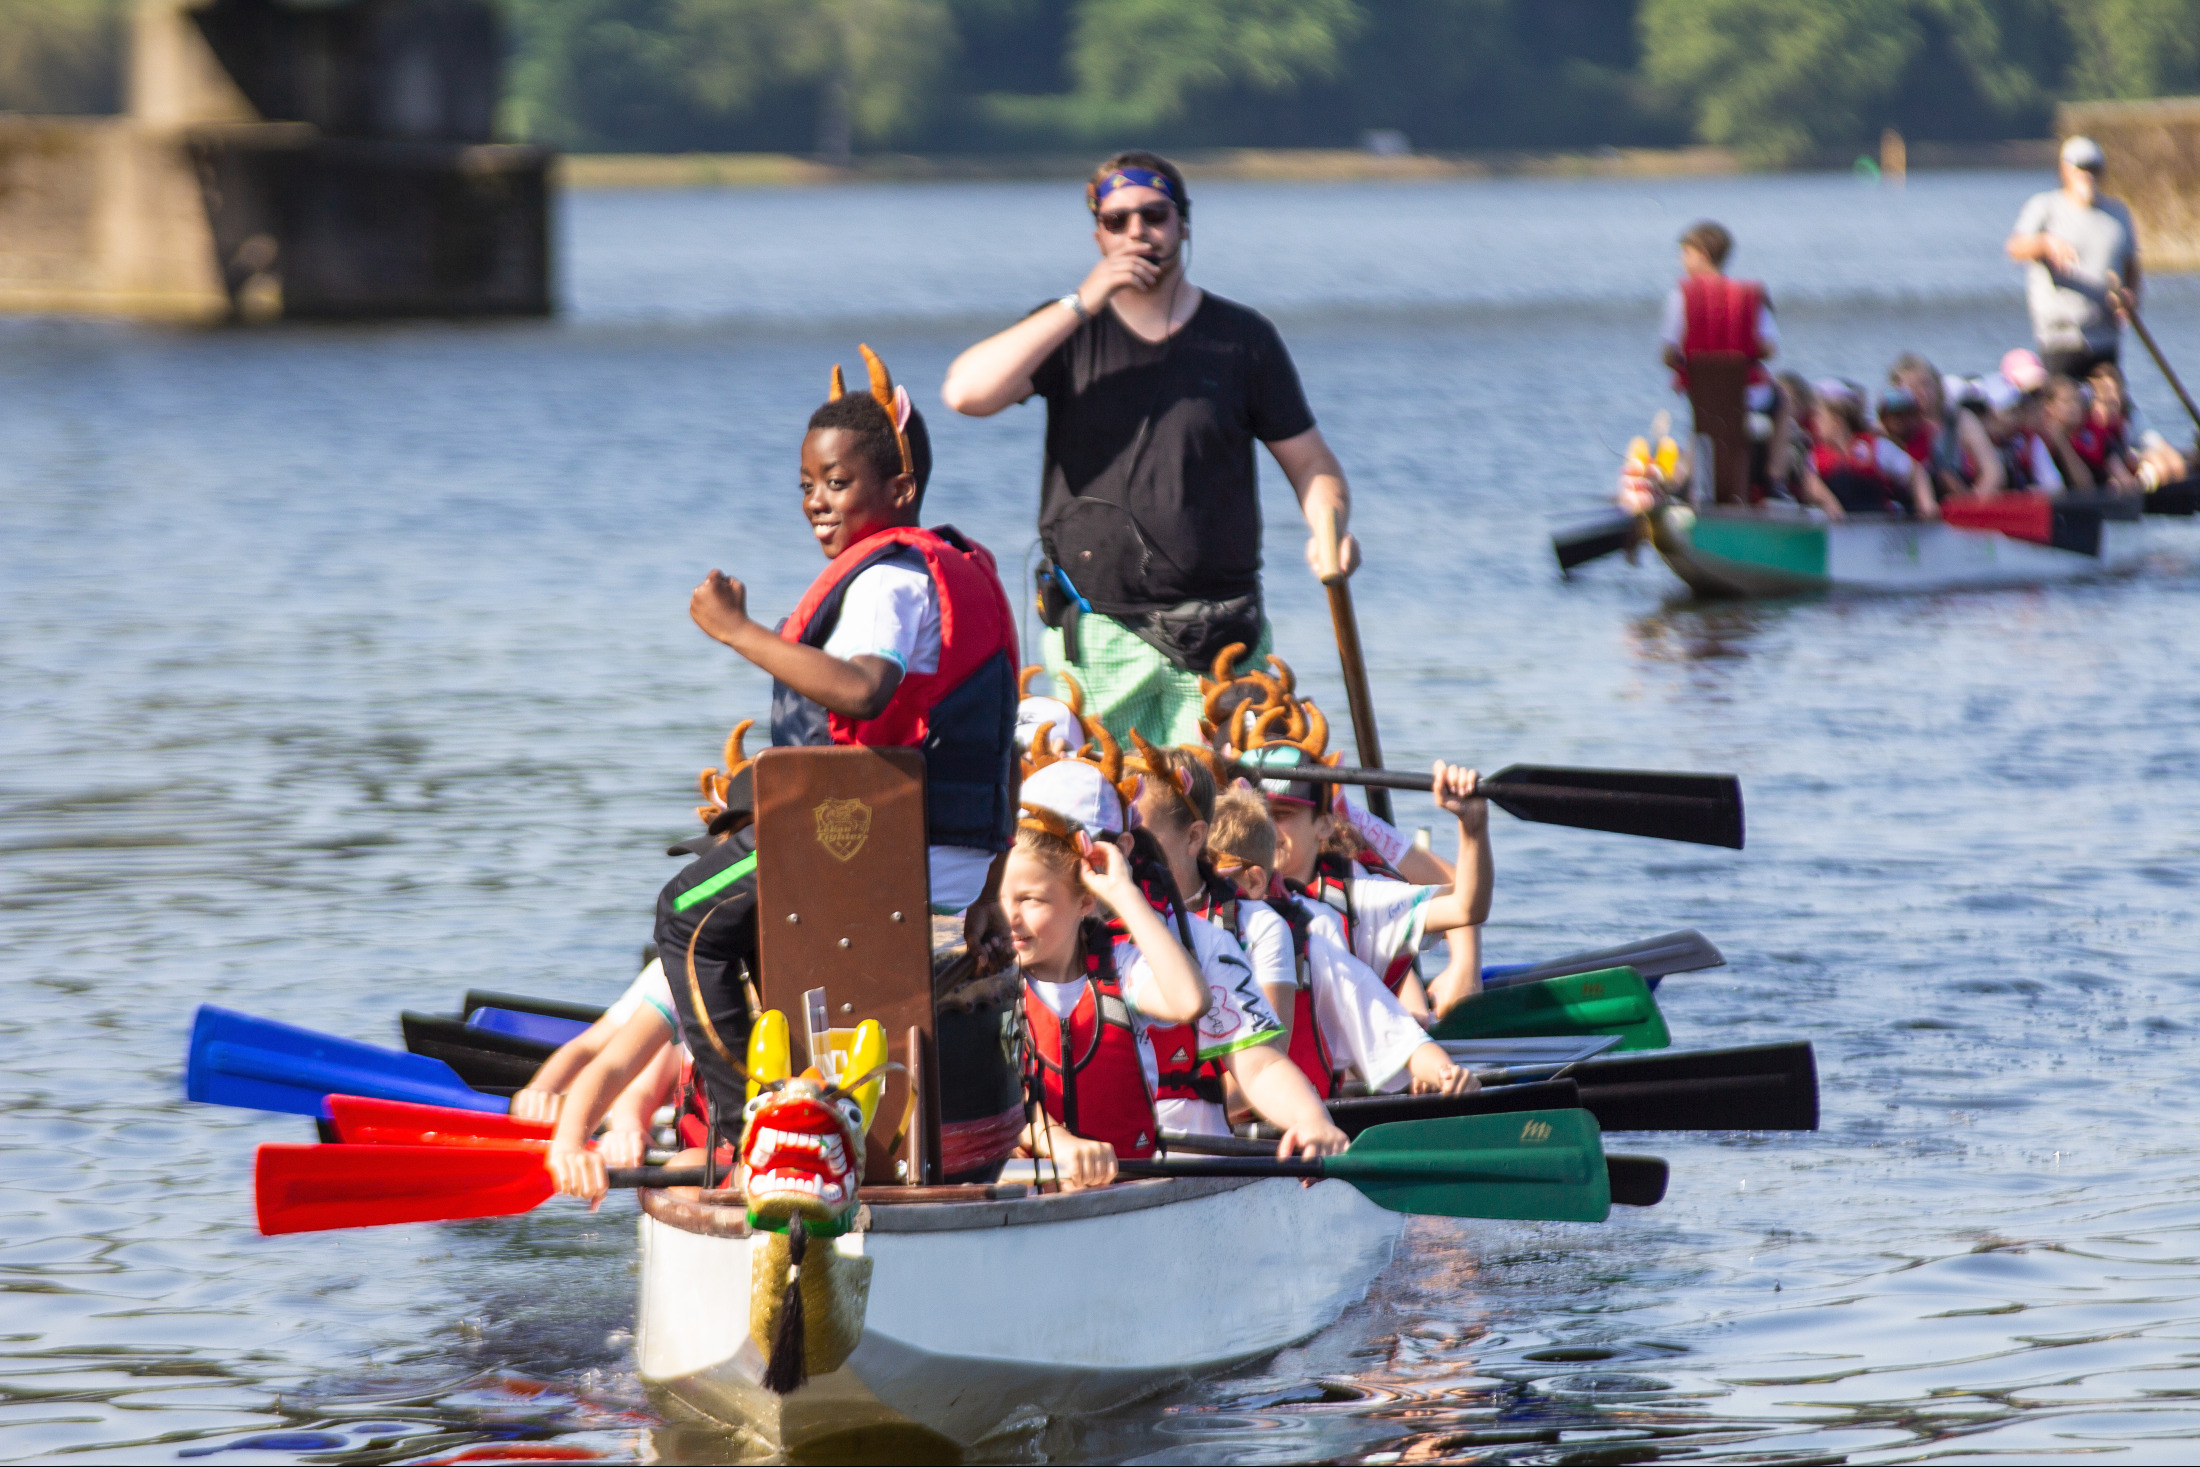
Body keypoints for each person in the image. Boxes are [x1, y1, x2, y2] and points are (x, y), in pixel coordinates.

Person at [940, 152, 1360, 747]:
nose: (1137, 232)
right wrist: (1083, 300)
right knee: (1104, 817)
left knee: (1226, 818)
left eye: (1154, 216)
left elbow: (1313, 464)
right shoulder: (1067, 334)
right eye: (1117, 222)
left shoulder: (1243, 340)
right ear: (1098, 236)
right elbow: (964, 393)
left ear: (1183, 225)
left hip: (1224, 637)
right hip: (1099, 634)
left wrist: (1328, 526)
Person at [687, 344, 1019, 925]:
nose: (816, 501)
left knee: (685, 911)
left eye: (836, 482)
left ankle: (734, 1022)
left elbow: (865, 690)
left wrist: (738, 631)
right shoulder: (938, 573)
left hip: (881, 850)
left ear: (901, 491)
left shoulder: (885, 583)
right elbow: (1003, 755)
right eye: (807, 485)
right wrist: (990, 891)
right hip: (954, 860)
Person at [1006, 765, 1342, 1191]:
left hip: (1172, 1173)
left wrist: (1311, 1119)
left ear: (1121, 850)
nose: (1065, 871)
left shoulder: (1199, 943)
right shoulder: (990, 957)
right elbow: (988, 1091)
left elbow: (1259, 1067)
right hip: (1037, 1174)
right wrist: (1055, 1140)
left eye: (1081, 855)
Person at [1204, 789, 1474, 1099]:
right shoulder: (1173, 935)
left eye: (1283, 815)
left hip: (1288, 1118)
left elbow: (1465, 906)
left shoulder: (1316, 929)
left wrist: (1443, 1071)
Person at [1660, 220, 1780, 506]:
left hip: (1701, 396)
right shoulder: (1750, 296)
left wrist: (1696, 361)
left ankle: (1687, 484)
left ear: (1701, 254)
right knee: (1782, 399)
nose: (1681, 260)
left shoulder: (1681, 296)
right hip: (1748, 395)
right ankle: (1776, 478)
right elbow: (1769, 348)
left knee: (1705, 422)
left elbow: (1667, 353)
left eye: (1685, 253)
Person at [2007, 136, 2139, 381]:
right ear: (2065, 169)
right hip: (2060, 339)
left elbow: (2132, 265)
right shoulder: (2045, 207)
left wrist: (2131, 297)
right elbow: (2015, 248)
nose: (2087, 175)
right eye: (2081, 167)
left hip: (2105, 336)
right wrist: (2044, 243)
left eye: (2094, 168)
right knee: (2065, 408)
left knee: (2106, 411)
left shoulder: (2117, 213)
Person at [1797, 379, 1939, 520]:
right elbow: (1810, 484)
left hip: (1878, 525)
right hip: (1840, 527)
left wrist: (1926, 503)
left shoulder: (1876, 446)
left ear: (1836, 421)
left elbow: (1916, 472)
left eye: (1820, 417)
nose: (1814, 422)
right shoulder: (1814, 456)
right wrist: (1829, 501)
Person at [1889, 353, 2002, 501]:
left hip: (1961, 500)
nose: (1921, 394)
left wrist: (1975, 501)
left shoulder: (1961, 420)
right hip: (1914, 505)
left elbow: (1993, 471)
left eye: (1925, 384)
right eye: (1913, 388)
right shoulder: (1891, 426)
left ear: (1937, 385)